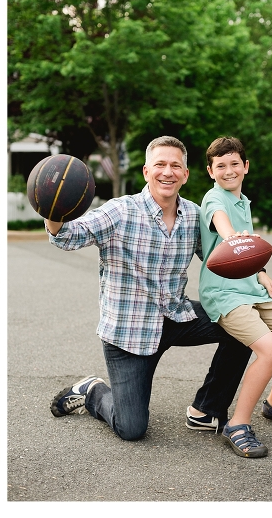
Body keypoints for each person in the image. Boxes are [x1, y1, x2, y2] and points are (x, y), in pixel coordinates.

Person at [47, 135, 253, 442]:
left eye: (175, 166)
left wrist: (261, 278)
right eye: (160, 164)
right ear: (146, 171)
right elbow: (67, 236)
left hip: (176, 317)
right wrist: (52, 206)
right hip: (129, 332)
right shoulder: (120, 211)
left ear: (185, 174)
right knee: (131, 428)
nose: (167, 172)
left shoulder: (194, 216)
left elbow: (224, 256)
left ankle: (206, 409)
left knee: (246, 329)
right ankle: (93, 391)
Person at [199, 136, 272, 458]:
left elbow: (247, 255)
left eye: (234, 163)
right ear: (210, 171)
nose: (228, 170)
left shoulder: (243, 201)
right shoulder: (214, 198)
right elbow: (223, 226)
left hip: (252, 286)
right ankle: (237, 424)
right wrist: (233, 238)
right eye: (220, 166)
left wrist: (263, 274)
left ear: (246, 166)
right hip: (225, 292)